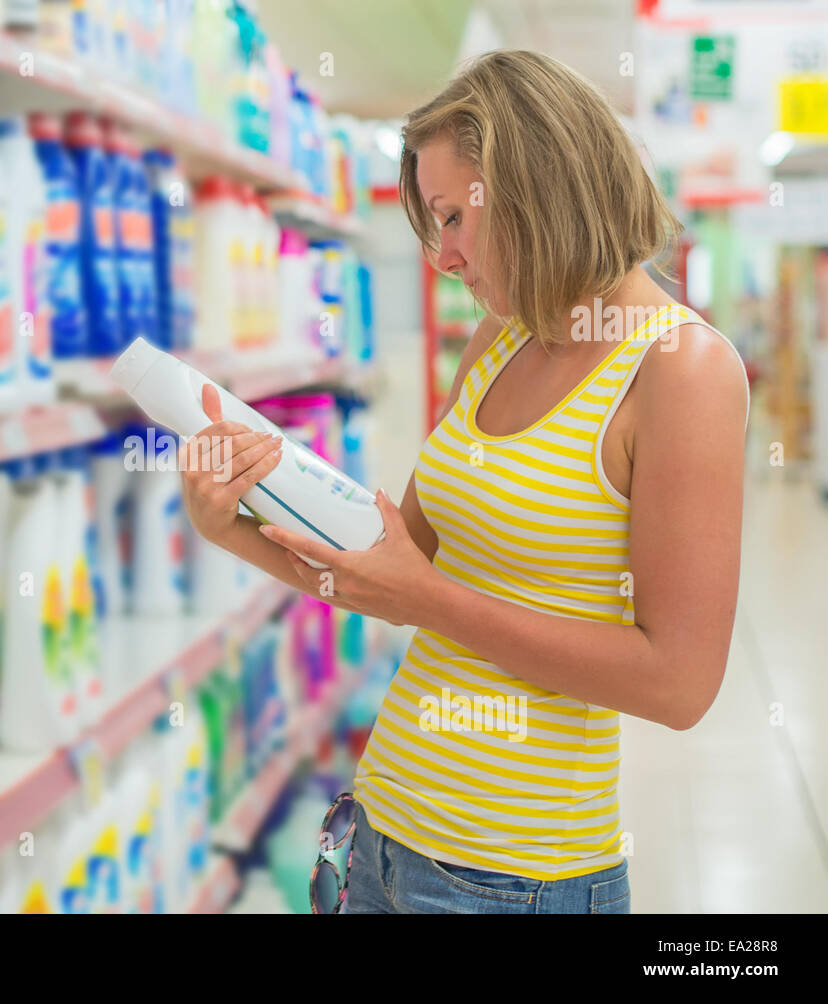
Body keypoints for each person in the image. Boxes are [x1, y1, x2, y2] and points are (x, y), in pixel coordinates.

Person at [178, 50, 749, 914]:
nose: (443, 256)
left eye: (452, 219)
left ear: (538, 192)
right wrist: (238, 530)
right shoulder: (497, 344)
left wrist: (431, 597)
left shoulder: (681, 371)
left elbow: (678, 683)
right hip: (378, 836)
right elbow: (394, 575)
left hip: (515, 880)